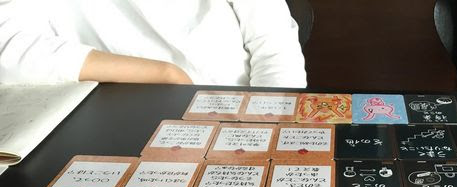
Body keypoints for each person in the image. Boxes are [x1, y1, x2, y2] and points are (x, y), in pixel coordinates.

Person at [0, 0, 307, 87]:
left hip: (242, 116)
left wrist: (268, 128)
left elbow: (275, 47)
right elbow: (7, 48)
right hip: (127, 132)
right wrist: (164, 73)